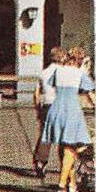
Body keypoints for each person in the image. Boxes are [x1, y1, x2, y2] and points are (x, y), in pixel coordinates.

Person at [40, 46, 95, 192]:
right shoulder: (80, 74)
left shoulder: (58, 71)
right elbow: (90, 91)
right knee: (72, 149)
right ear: (80, 60)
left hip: (56, 110)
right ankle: (61, 186)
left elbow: (52, 85)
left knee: (65, 149)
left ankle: (72, 185)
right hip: (72, 113)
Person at [33, 46, 64, 178]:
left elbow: (36, 94)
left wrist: (38, 109)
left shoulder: (43, 72)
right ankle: (65, 164)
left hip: (47, 105)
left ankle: (41, 161)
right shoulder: (65, 73)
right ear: (62, 58)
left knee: (46, 135)